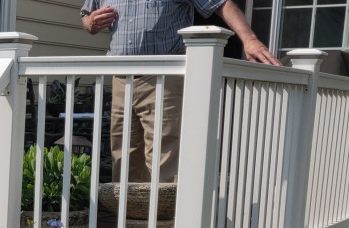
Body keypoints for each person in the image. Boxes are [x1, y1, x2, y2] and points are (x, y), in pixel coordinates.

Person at [81, 0, 280, 183]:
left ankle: (163, 219)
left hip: (164, 77)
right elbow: (86, 15)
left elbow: (221, 4)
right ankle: (131, 219)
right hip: (120, 79)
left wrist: (250, 39)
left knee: (164, 158)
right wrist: (90, 22)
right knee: (123, 155)